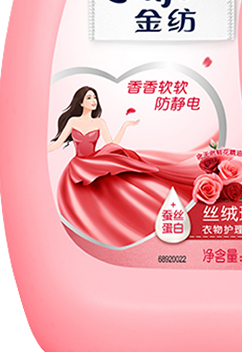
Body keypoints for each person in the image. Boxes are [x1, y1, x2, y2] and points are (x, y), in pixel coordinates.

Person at [49, 86, 206, 248]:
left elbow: (111, 143)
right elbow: (58, 143)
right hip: (79, 166)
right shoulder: (73, 121)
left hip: (95, 162)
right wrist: (41, 149)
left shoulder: (99, 122)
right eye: (89, 98)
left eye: (95, 97)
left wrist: (124, 127)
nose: (93, 101)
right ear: (81, 102)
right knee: (81, 199)